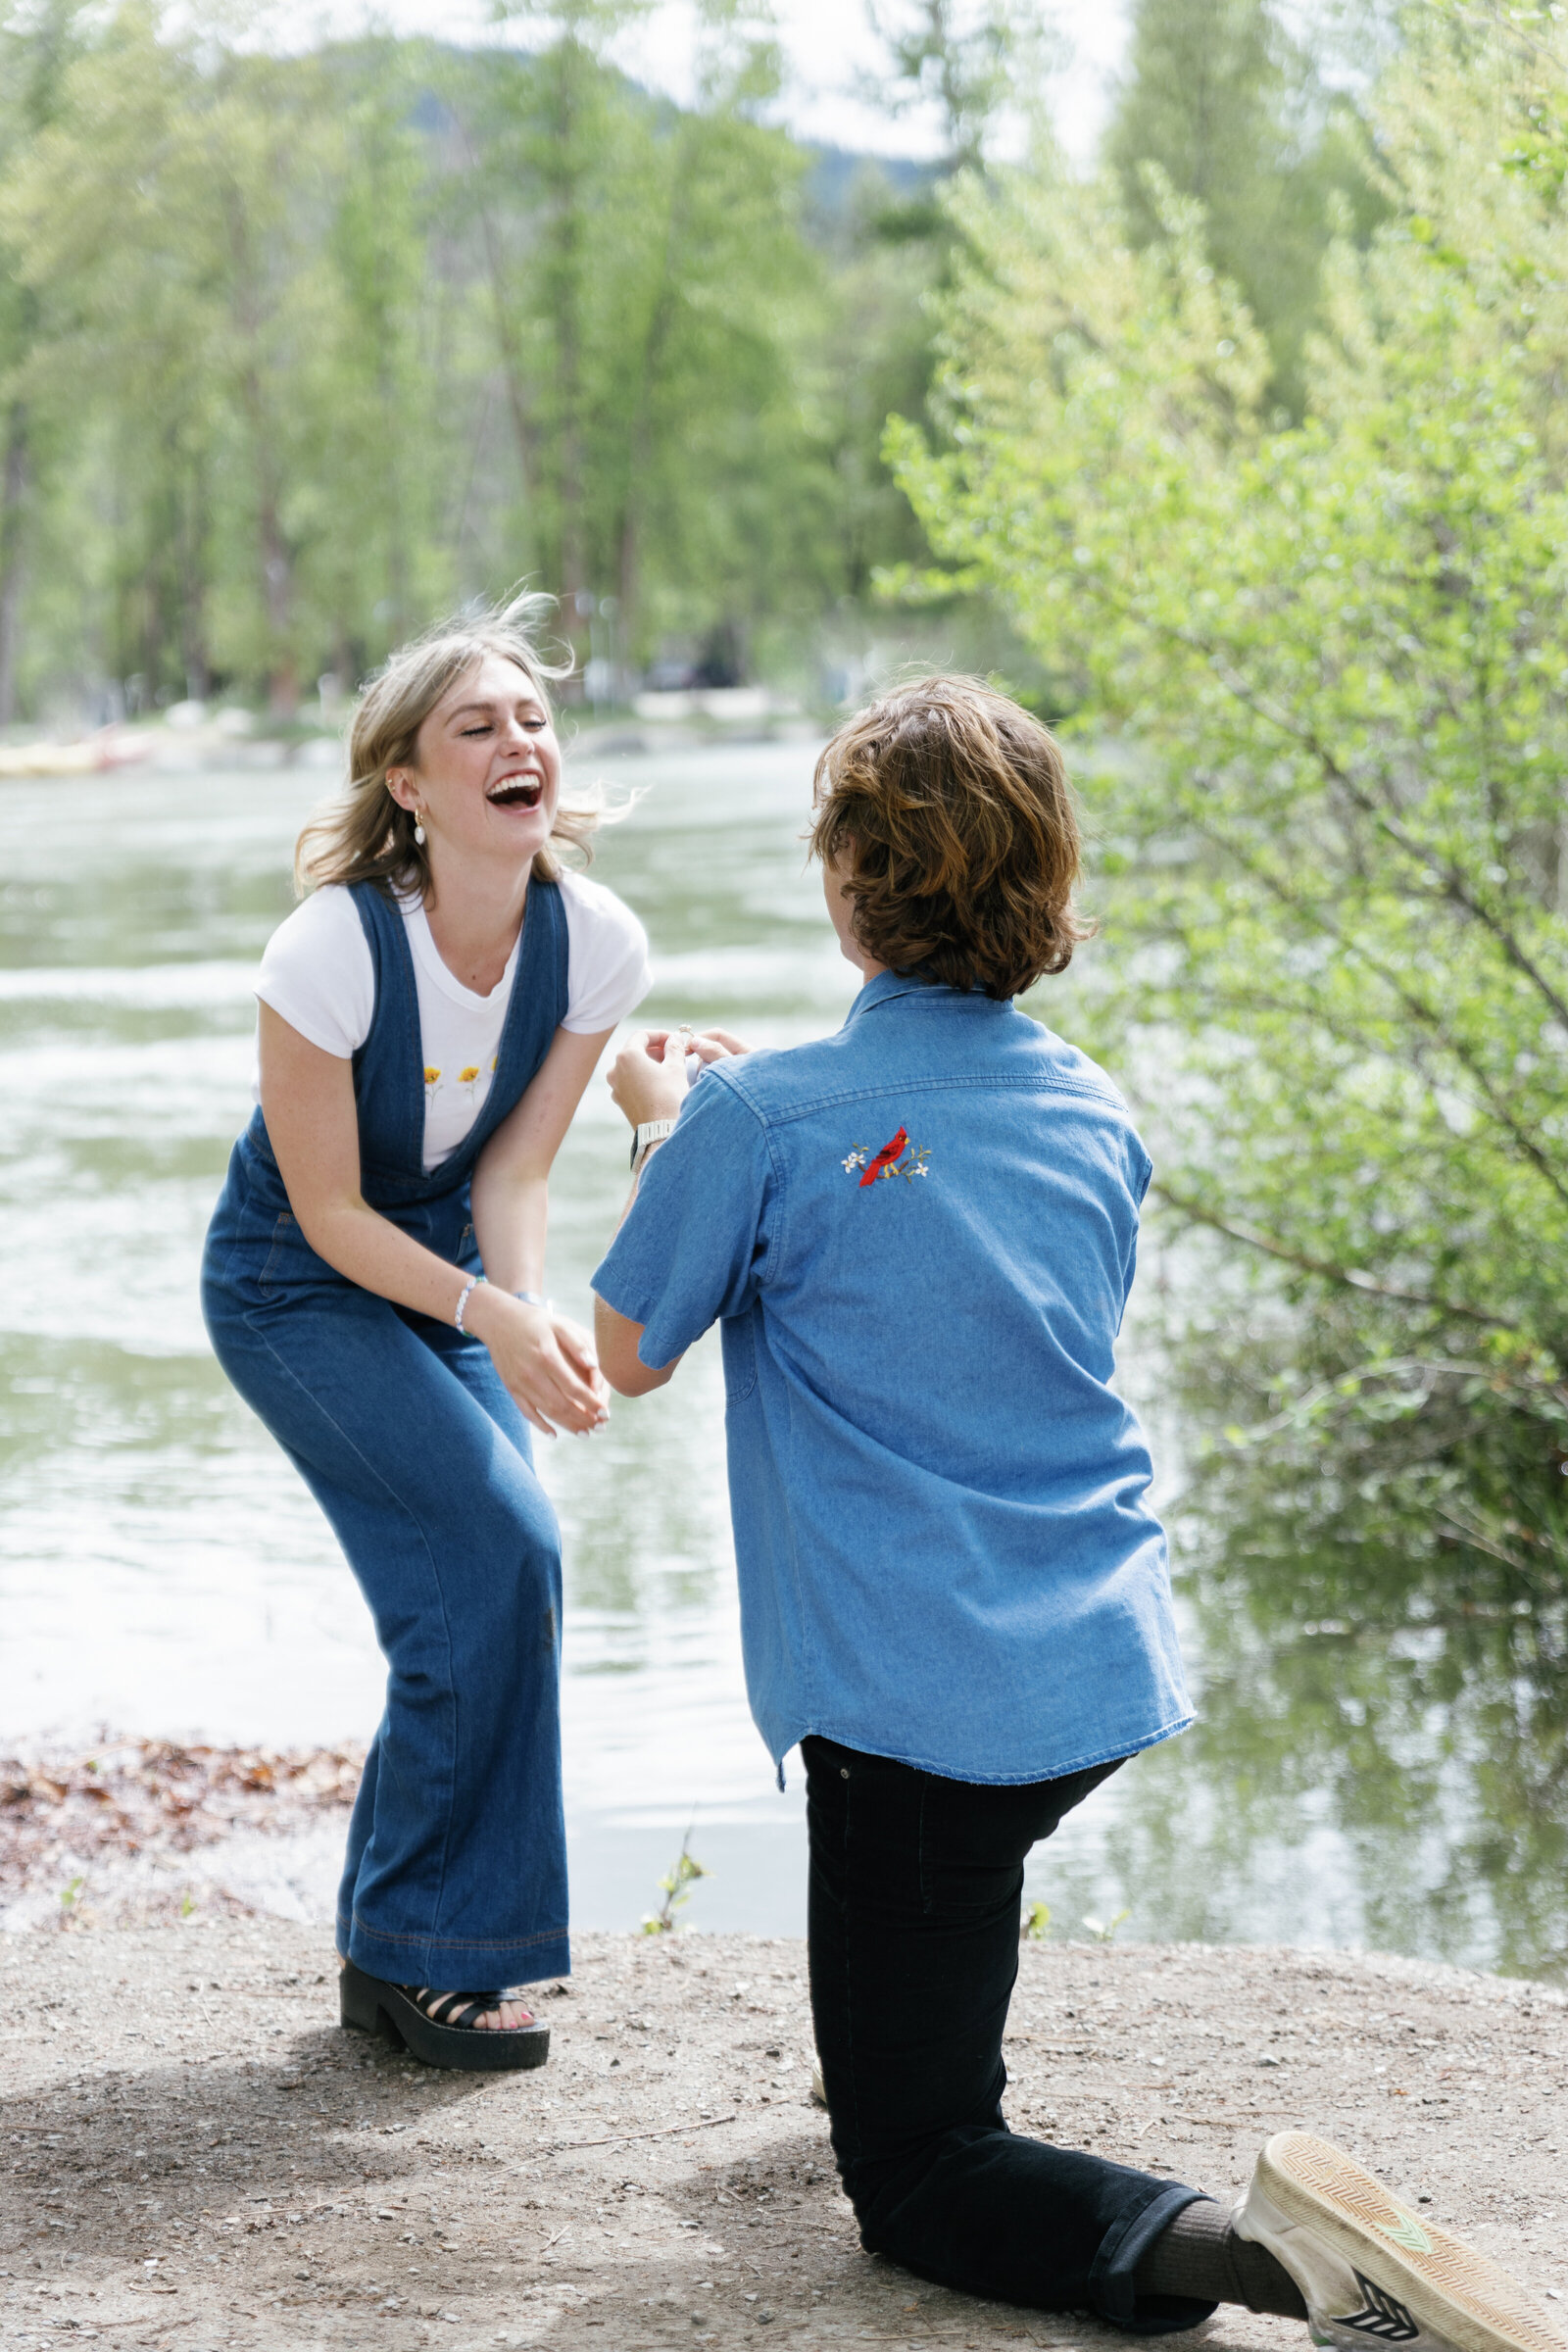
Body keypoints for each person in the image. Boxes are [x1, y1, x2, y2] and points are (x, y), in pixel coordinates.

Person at [587, 677, 1561, 2352]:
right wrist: (742, 1140)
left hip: (918, 1700)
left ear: (845, 885)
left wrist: (666, 1133)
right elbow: (968, 1274)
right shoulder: (1094, 1104)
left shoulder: (756, 1120)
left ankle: (1277, 2264)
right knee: (934, 1926)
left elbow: (625, 1350)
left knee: (916, 2173)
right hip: (1091, 1660)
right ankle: (932, 2031)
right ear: (1045, 884)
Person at [202, 596, 645, 2072]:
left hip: (446, 1275)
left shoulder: (594, 942)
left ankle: (402, 1953)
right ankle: (432, 1958)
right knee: (495, 1554)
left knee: (497, 1570)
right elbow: (327, 1215)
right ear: (409, 783)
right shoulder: (327, 951)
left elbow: (512, 1171)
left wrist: (524, 1317)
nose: (520, 744)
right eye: (479, 726)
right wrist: (492, 1317)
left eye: (533, 720)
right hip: (292, 1284)